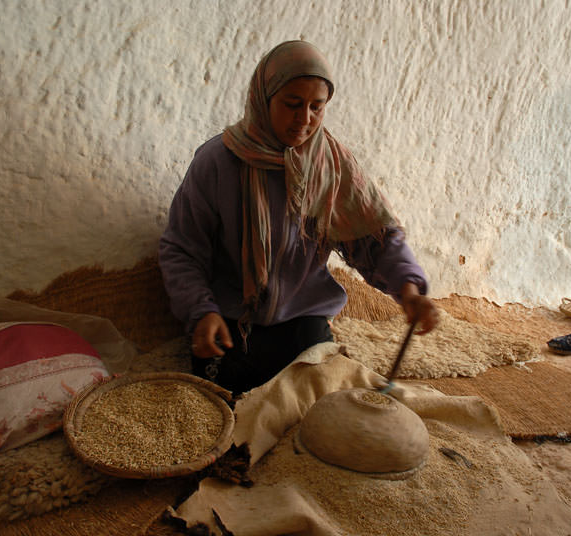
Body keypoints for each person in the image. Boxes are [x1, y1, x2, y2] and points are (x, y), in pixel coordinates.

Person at [158, 40, 438, 395]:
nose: (304, 119)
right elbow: (181, 248)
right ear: (264, 98)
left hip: (302, 320)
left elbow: (376, 235)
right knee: (220, 401)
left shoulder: (332, 165)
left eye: (316, 107)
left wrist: (410, 290)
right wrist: (201, 311)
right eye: (292, 104)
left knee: (321, 400)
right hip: (231, 321)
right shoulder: (218, 162)